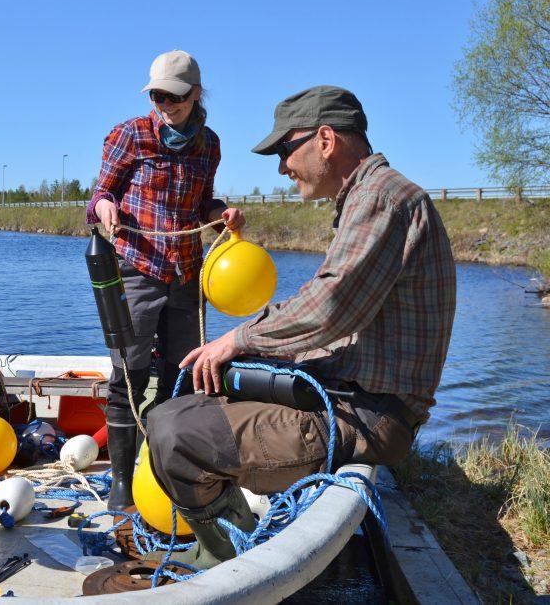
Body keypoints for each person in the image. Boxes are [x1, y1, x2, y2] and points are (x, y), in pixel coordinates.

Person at [146, 85, 457, 569]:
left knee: (173, 434)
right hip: (349, 394)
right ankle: (228, 535)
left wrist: (238, 339)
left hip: (368, 414)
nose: (281, 167)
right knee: (180, 407)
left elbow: (328, 307)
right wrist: (250, 353)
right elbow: (336, 316)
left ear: (326, 140)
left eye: (285, 151)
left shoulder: (383, 199)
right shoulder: (369, 198)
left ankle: (231, 556)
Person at [87, 50, 245, 509]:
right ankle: (121, 481)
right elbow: (100, 193)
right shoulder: (130, 135)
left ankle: (164, 471)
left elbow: (203, 205)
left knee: (184, 375)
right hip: (137, 267)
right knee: (128, 376)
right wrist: (104, 209)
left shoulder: (209, 144)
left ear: (196, 94)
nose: (164, 104)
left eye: (173, 96)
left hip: (187, 276)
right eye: (156, 95)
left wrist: (222, 214)